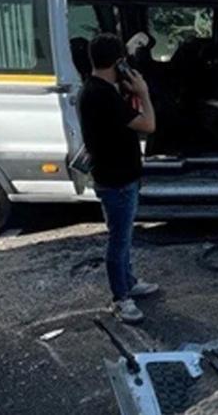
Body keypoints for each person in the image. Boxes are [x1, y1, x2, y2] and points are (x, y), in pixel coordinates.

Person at [78, 33, 158, 323]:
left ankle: (129, 282)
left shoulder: (95, 89)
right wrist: (144, 92)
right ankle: (120, 298)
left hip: (116, 176)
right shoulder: (102, 95)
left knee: (123, 236)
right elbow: (148, 125)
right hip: (117, 180)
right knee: (119, 240)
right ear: (119, 62)